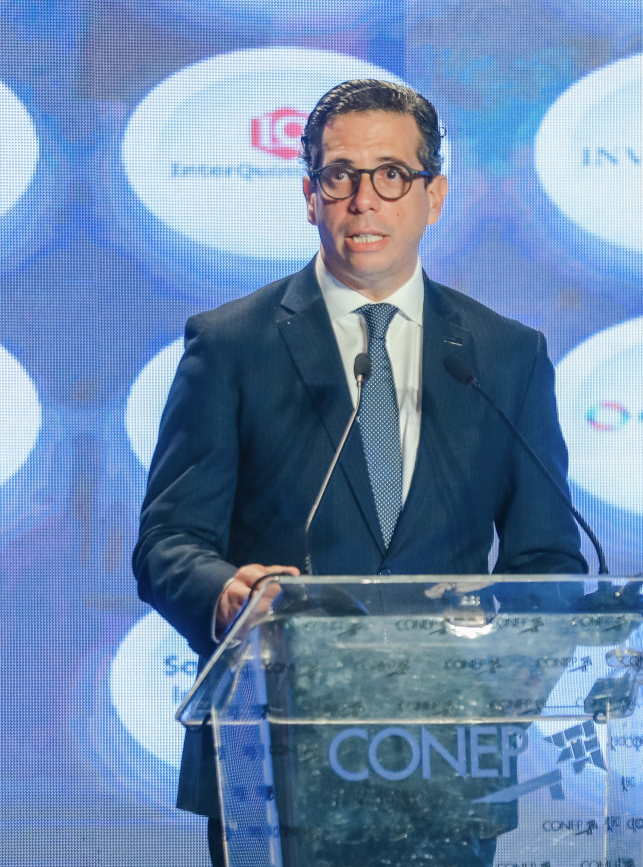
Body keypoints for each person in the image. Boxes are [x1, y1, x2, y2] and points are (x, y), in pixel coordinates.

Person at [133, 78, 586, 867]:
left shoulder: (504, 356)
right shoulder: (231, 345)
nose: (364, 199)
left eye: (392, 175)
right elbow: (167, 542)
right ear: (310, 195)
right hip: (273, 758)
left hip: (449, 762)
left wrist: (499, 701)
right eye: (340, 174)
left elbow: (547, 561)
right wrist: (227, 593)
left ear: (434, 196)